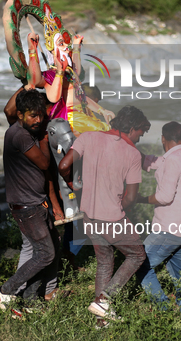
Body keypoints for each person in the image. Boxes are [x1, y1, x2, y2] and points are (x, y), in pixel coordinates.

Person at [59, 105, 149, 323]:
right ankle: (105, 300)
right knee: (137, 254)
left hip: (89, 214)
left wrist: (74, 185)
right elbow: (130, 198)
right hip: (112, 218)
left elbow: (63, 165)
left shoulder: (88, 138)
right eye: (140, 133)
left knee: (105, 261)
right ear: (133, 127)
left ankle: (102, 320)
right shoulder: (133, 154)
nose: (139, 139)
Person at [0, 89, 62, 316]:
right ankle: (4, 291)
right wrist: (44, 138)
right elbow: (42, 163)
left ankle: (28, 303)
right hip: (27, 207)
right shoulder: (20, 135)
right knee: (45, 254)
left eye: (41, 115)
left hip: (34, 203)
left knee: (42, 253)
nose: (38, 120)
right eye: (33, 116)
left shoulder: (24, 130)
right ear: (20, 114)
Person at [136, 121, 181, 310]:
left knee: (139, 263)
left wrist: (141, 199)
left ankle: (162, 307)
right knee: (177, 269)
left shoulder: (173, 160)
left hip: (168, 227)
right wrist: (133, 152)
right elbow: (156, 161)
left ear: (162, 138)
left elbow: (164, 197)